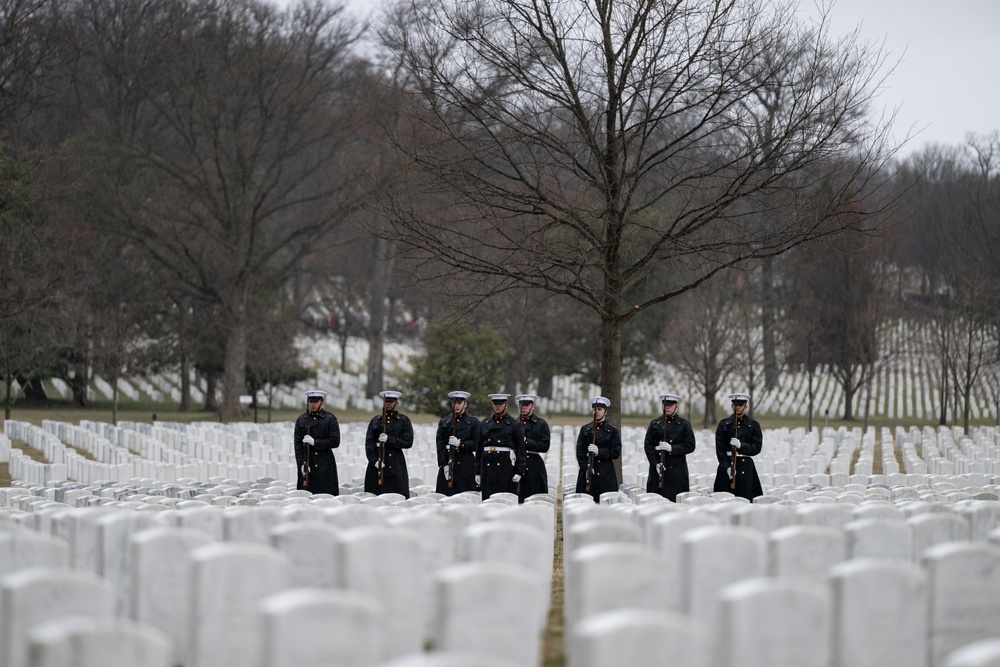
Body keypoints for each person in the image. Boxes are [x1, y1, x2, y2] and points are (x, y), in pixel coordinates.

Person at [643, 393, 696, 502]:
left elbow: (690, 445)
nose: (667, 408)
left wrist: (672, 448)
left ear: (676, 407)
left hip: (676, 471)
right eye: (665, 405)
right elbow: (648, 445)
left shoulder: (684, 424)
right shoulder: (654, 424)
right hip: (657, 469)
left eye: (670, 406)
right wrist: (655, 463)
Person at [713, 392, 764, 500]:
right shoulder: (724, 424)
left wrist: (742, 445)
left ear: (746, 406)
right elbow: (720, 449)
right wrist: (727, 467)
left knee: (747, 497)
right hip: (727, 465)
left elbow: (757, 447)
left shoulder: (753, 425)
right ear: (732, 406)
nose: (738, 407)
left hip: (746, 467)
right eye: (735, 405)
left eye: (740, 405)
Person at [364, 390, 414, 498]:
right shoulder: (376, 421)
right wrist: (374, 461)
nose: (388, 404)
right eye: (386, 401)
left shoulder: (403, 421)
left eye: (391, 402)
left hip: (396, 464)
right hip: (377, 463)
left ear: (397, 403)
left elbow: (408, 442)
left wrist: (389, 440)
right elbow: (369, 444)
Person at [475, 393, 526, 500]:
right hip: (487, 467)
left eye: (500, 404)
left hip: (505, 466)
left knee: (503, 498)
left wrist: (519, 471)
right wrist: (477, 472)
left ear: (506, 405)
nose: (497, 406)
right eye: (495, 404)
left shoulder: (514, 424)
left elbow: (520, 449)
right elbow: (479, 449)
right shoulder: (484, 423)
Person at [574, 396, 621, 502]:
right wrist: (587, 467)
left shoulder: (612, 431)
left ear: (605, 411)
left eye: (600, 409)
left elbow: (616, 451)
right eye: (595, 409)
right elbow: (580, 451)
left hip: (605, 473)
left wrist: (599, 452)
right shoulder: (585, 429)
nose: (597, 412)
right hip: (587, 472)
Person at [294, 389, 342, 495]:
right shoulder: (301, 420)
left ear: (322, 402)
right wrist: (301, 464)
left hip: (324, 465)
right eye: (311, 402)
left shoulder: (330, 419)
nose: (313, 405)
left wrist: (315, 442)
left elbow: (335, 441)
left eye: (316, 402)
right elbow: (297, 445)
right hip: (307, 464)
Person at [435, 390, 480, 495]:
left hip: (465, 466)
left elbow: (477, 444)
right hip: (448, 464)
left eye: (459, 403)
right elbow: (440, 445)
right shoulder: (445, 422)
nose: (456, 406)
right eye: (454, 403)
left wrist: (461, 444)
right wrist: (444, 465)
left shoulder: (473, 422)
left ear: (465, 404)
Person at [515, 393, 550, 502]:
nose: (524, 407)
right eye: (521, 405)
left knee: (535, 495)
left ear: (532, 406)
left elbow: (545, 446)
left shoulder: (541, 424)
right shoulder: (513, 423)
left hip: (533, 464)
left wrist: (527, 441)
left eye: (527, 405)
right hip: (516, 462)